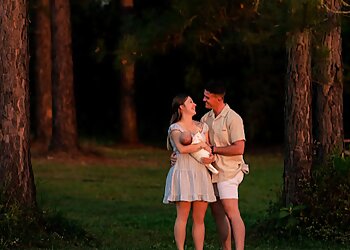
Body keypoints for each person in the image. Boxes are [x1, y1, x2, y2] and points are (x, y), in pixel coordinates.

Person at [171, 81, 248, 250]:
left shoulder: (233, 118)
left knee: (231, 210)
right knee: (218, 213)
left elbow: (239, 148)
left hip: (228, 171)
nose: (203, 99)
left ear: (218, 98)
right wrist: (177, 154)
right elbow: (192, 143)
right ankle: (226, 248)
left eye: (207, 96)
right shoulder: (205, 119)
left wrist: (212, 149)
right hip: (209, 172)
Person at [163, 93, 217, 250]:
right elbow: (182, 149)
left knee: (199, 219)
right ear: (181, 107)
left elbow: (208, 150)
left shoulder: (202, 127)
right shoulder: (175, 128)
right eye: (191, 102)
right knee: (182, 216)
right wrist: (201, 145)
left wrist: (211, 158)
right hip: (183, 172)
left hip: (200, 173)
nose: (194, 104)